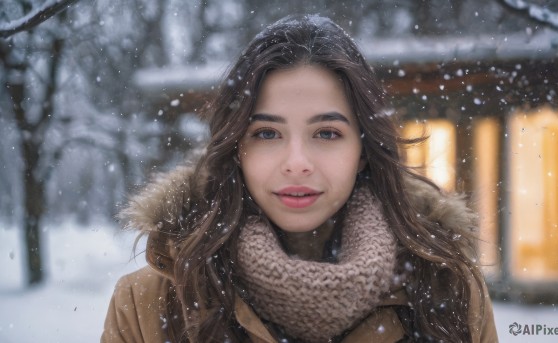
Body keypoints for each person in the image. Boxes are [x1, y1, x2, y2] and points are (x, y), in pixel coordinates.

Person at [102, 14, 498, 343]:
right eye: (267, 134)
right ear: (236, 149)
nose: (296, 163)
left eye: (326, 133)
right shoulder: (149, 302)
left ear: (362, 150)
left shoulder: (449, 289)